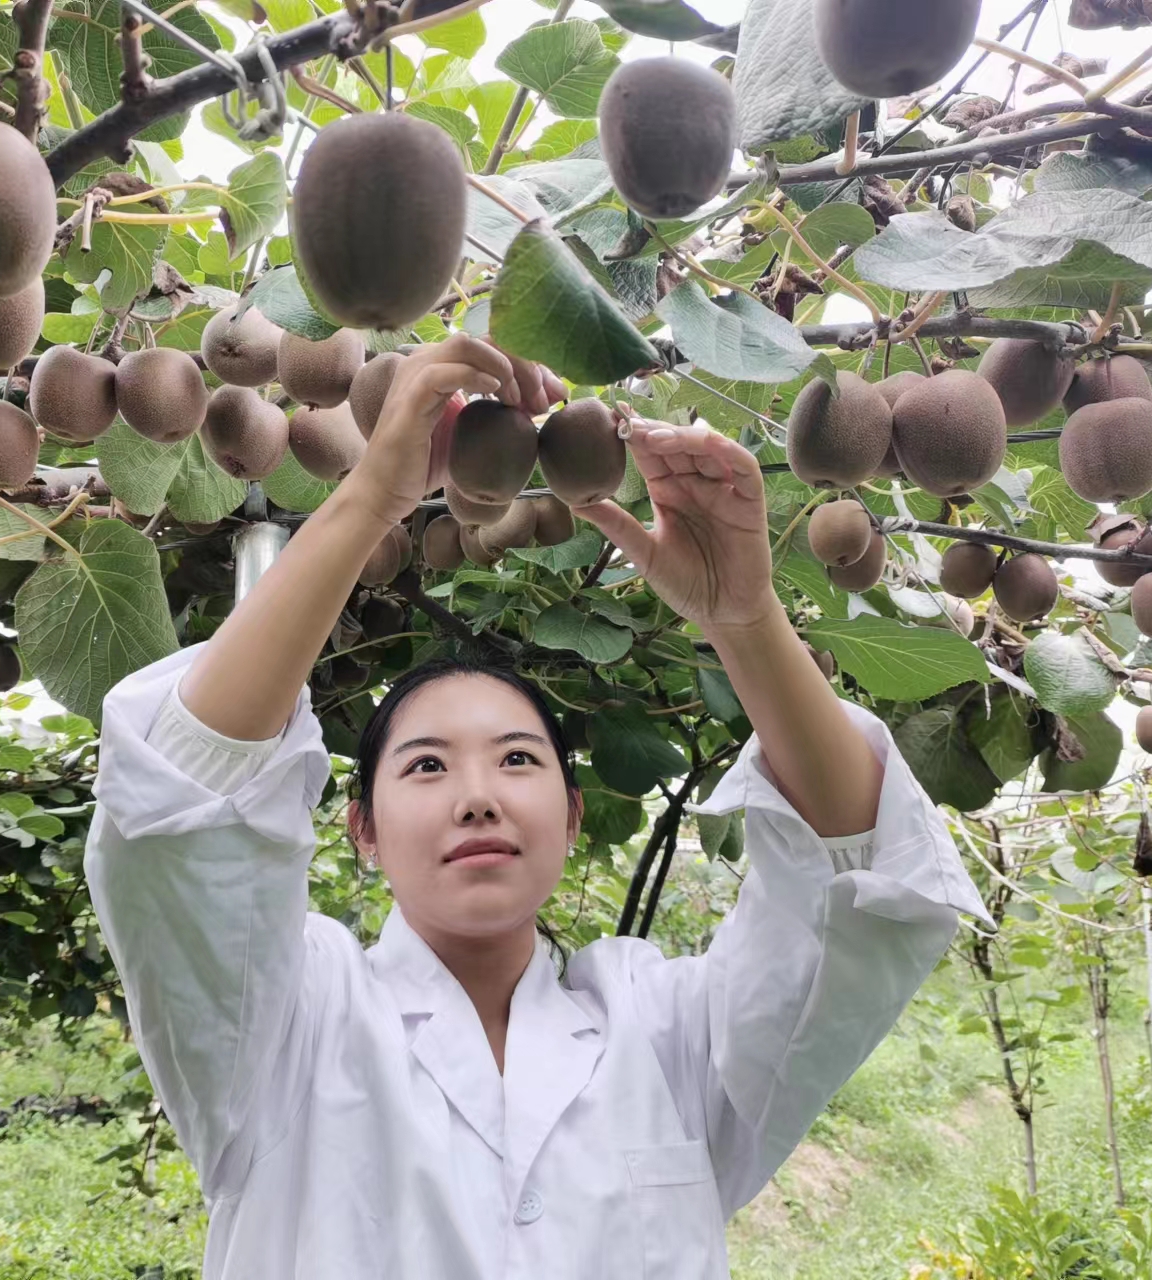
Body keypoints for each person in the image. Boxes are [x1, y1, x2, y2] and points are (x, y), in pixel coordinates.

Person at [85, 334, 994, 1279]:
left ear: (569, 815)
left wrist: (746, 619)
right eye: (426, 767)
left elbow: (853, 881)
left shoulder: (666, 1033)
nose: (478, 797)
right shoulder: (284, 1025)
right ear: (363, 830)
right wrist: (370, 498)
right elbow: (186, 802)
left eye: (517, 759)